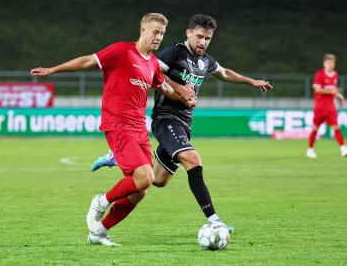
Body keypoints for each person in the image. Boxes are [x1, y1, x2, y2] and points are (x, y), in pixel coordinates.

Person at [91, 14, 273, 231]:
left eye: (207, 38)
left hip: (184, 122)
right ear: (189, 33)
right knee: (192, 159)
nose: (202, 42)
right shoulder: (175, 51)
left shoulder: (206, 61)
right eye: (199, 37)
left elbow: (224, 73)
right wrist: (178, 88)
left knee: (158, 180)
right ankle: (214, 220)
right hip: (166, 119)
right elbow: (153, 71)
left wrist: (251, 81)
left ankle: (117, 159)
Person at [31, 13, 194, 246]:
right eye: (155, 32)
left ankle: (99, 232)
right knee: (146, 178)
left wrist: (183, 97)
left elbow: (163, 86)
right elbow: (88, 60)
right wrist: (53, 70)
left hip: (140, 129)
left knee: (140, 191)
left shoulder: (152, 63)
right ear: (143, 31)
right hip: (118, 125)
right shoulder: (122, 51)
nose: (158, 37)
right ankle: (100, 201)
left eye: (162, 34)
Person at [306, 54, 347, 158]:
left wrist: (339, 96)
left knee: (336, 127)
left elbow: (333, 89)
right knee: (315, 128)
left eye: (332, 63)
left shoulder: (335, 75)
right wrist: (332, 91)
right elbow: (318, 89)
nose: (330, 65)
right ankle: (310, 149)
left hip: (330, 107)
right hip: (319, 107)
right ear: (324, 63)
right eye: (328, 63)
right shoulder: (319, 74)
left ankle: (343, 148)